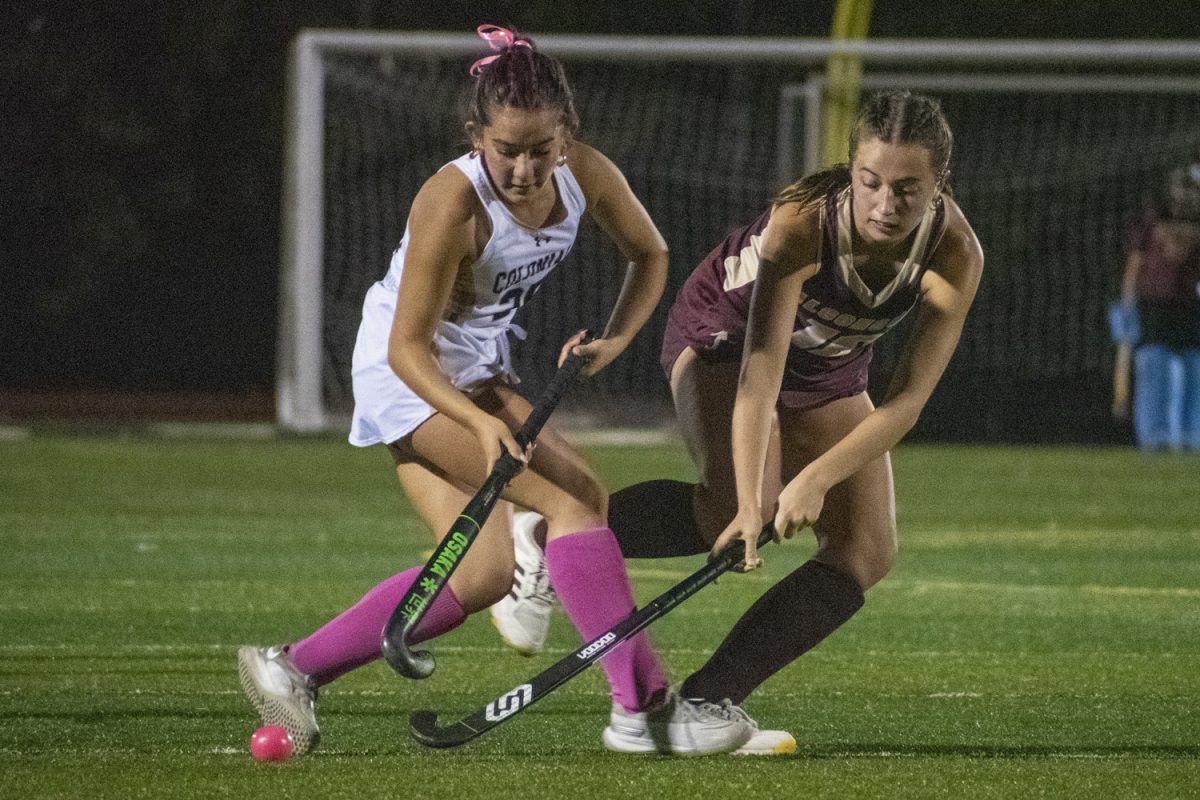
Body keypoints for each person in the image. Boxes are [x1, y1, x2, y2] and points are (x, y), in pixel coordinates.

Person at [237, 25, 756, 756]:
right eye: (505, 148)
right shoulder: (451, 201)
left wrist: (614, 338)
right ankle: (642, 708)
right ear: (475, 135)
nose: (522, 167)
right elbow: (405, 347)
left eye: (540, 149)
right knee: (576, 498)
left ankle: (292, 667)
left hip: (477, 363)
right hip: (408, 374)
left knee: (481, 575)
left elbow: (651, 253)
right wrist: (479, 428)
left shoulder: (587, 176)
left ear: (566, 137)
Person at [494, 90, 984, 745]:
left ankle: (705, 701)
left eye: (907, 189)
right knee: (738, 503)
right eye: (870, 183)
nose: (884, 205)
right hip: (725, 334)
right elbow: (759, 377)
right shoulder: (803, 224)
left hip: (829, 367)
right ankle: (545, 536)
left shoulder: (955, 253)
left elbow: (906, 402)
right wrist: (756, 507)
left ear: (939, 185)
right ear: (850, 171)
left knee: (866, 549)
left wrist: (817, 479)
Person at [1110, 161, 1200, 450]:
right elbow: (1136, 262)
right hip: (1154, 303)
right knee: (1155, 365)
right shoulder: (1152, 219)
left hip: (1189, 303)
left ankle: (1191, 436)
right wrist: (1127, 303)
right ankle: (1156, 437)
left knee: (1192, 368)